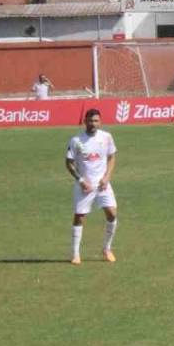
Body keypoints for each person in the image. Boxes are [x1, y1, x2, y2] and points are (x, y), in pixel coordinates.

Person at [64, 109, 119, 265]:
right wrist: (81, 181)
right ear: (85, 122)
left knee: (112, 214)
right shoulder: (76, 140)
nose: (93, 124)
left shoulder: (107, 137)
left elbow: (112, 157)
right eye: (90, 121)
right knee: (79, 217)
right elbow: (69, 163)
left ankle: (107, 248)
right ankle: (75, 253)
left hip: (103, 184)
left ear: (100, 122)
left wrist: (107, 177)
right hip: (84, 186)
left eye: (96, 121)